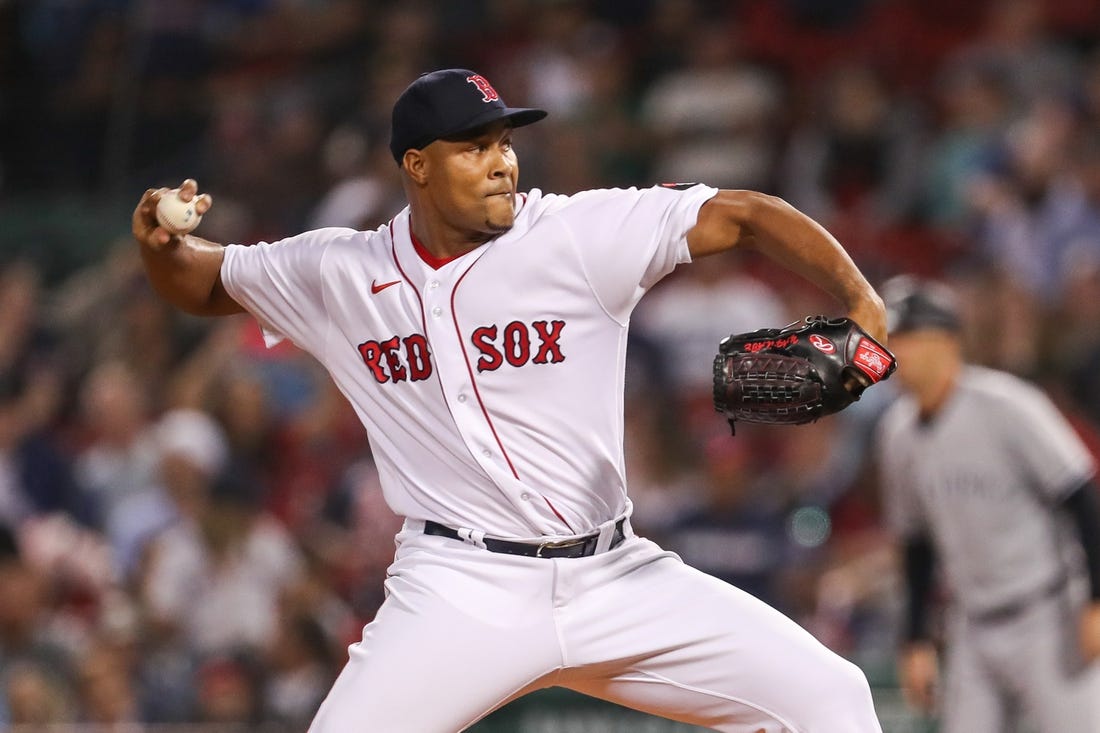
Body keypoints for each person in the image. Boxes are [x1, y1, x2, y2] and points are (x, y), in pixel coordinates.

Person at [131, 68, 887, 732]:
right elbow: (203, 281)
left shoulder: (575, 233)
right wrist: (158, 245)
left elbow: (743, 214)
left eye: (505, 142)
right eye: (475, 147)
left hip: (614, 574)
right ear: (418, 166)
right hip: (460, 586)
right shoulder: (341, 271)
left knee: (830, 697)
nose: (502, 164)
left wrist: (862, 302)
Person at [875, 276, 1100, 732]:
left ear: (947, 342)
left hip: (1047, 613)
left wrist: (1097, 601)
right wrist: (915, 638)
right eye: (892, 340)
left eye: (909, 338)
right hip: (971, 625)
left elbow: (1080, 497)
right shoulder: (895, 434)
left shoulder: (1007, 405)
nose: (898, 354)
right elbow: (916, 545)